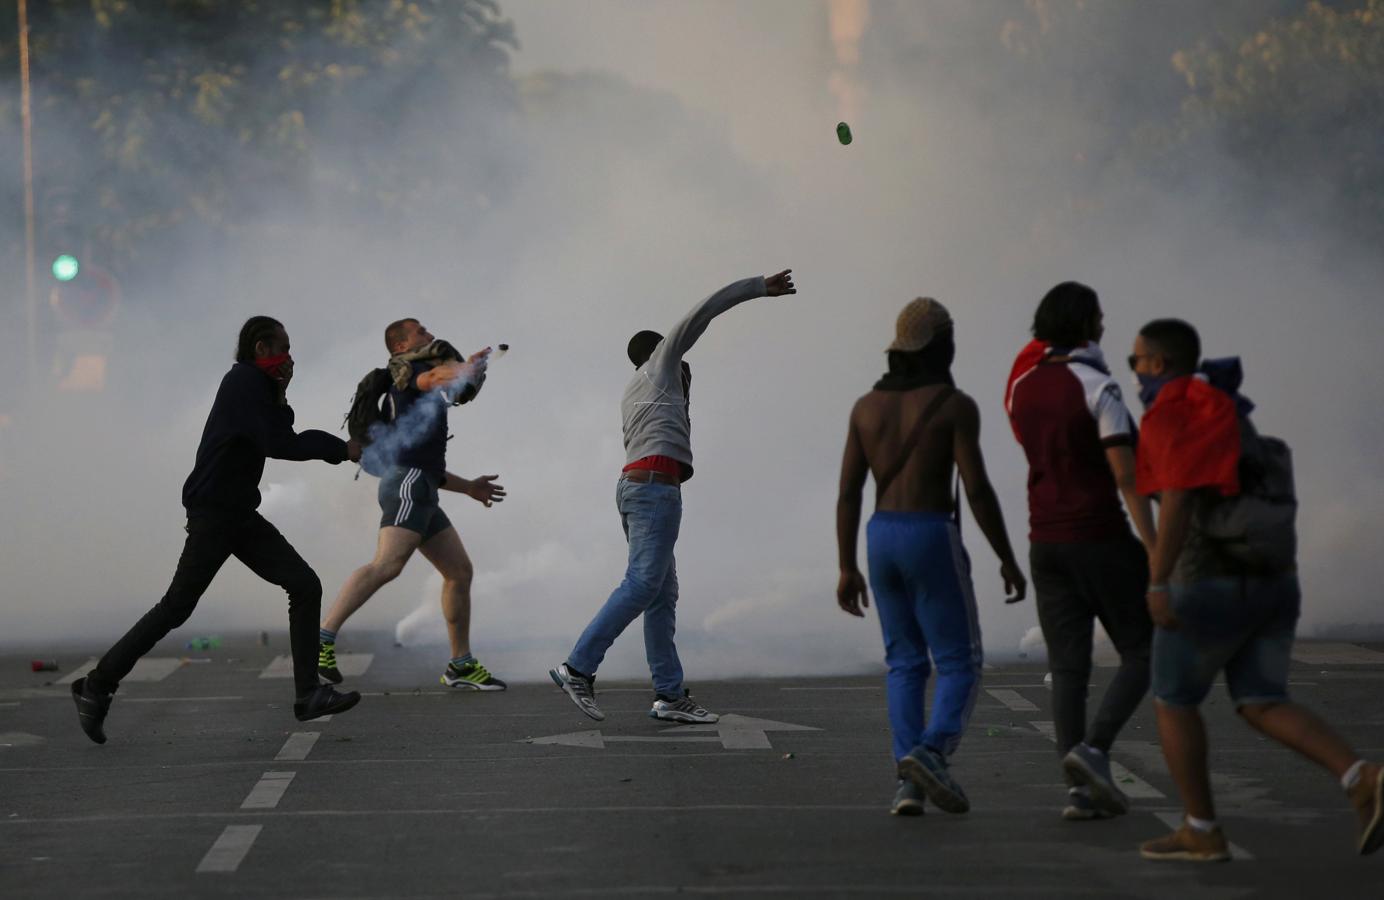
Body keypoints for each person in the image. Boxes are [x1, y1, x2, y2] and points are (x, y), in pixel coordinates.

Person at [1131, 318, 1382, 861]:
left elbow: (1176, 500)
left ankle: (1202, 828)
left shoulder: (1171, 412)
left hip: (1208, 583)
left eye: (1136, 362)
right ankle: (1362, 777)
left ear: (1158, 363)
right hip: (1274, 583)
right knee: (1261, 701)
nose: (1134, 373)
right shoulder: (1226, 409)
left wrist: (1157, 580)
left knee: (1173, 701)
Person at [71, 316, 363, 744]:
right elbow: (280, 445)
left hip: (238, 514)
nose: (290, 356)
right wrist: (343, 449)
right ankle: (97, 684)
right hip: (216, 512)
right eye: (283, 347)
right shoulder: (242, 382)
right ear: (262, 349)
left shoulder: (260, 387)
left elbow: (281, 432)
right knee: (175, 607)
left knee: (304, 585)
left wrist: (282, 392)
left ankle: (308, 696)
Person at [549, 269, 797, 724]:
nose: (687, 369)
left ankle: (668, 695)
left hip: (639, 490)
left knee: (661, 595)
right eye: (679, 358)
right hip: (653, 493)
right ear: (661, 352)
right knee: (643, 585)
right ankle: (578, 667)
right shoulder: (660, 368)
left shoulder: (640, 390)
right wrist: (759, 288)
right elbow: (702, 312)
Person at [836, 297, 1027, 817]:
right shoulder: (953, 404)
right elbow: (979, 489)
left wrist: (846, 564)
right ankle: (931, 751)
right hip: (929, 533)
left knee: (903, 663)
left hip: (879, 537)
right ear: (942, 345)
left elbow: (849, 492)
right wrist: (1007, 557)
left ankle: (908, 782)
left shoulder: (865, 408)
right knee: (959, 661)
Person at [1004, 282, 1155, 820]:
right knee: (1145, 651)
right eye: (1100, 316)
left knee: (1069, 669)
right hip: (1100, 536)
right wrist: (1155, 548)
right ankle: (1094, 750)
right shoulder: (1099, 387)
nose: (1105, 325)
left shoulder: (1022, 387)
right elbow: (1126, 476)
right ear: (1085, 324)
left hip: (1044, 542)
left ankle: (1080, 790)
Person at [318, 318, 507, 691]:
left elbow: (423, 462)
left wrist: (469, 487)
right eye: (421, 331)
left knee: (459, 572)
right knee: (386, 565)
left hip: (418, 486)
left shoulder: (411, 382)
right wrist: (462, 369)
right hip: (408, 486)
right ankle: (321, 641)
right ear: (401, 346)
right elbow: (433, 381)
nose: (431, 334)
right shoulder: (411, 375)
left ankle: (461, 665)